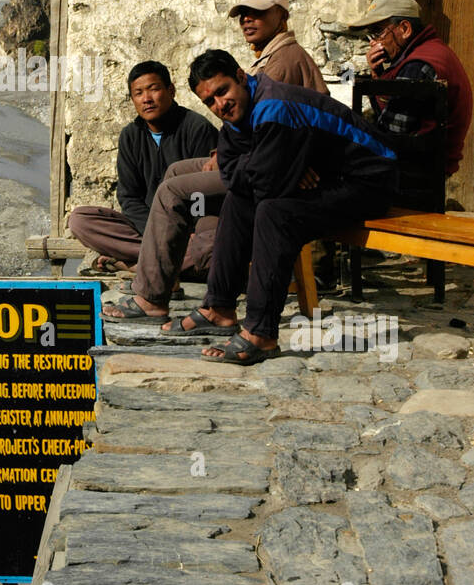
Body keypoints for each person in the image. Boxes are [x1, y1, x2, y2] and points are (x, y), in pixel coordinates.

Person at [148, 50, 396, 364]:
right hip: (331, 175)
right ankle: (219, 307)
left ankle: (261, 334)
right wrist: (282, 165)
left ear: (241, 76)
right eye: (210, 101)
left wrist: (281, 166)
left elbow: (265, 187)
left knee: (274, 214)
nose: (220, 105)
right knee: (239, 202)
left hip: (369, 179)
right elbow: (229, 169)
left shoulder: (274, 106)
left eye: (222, 91)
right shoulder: (240, 115)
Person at [104, 0, 327, 319]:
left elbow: (288, 129)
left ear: (281, 15)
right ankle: (165, 266)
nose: (248, 21)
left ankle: (152, 293)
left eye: (258, 13)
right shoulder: (271, 57)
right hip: (264, 158)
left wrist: (300, 163)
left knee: (173, 189)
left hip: (271, 167)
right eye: (243, 16)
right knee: (177, 173)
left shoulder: (283, 60)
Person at [67, 60, 217, 274]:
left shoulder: (196, 129)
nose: (146, 99)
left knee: (209, 246)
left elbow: (203, 196)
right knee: (80, 220)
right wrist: (158, 231)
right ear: (133, 99)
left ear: (171, 90)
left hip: (188, 229)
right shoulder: (130, 136)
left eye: (154, 89)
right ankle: (162, 262)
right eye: (138, 93)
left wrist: (185, 230)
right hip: (148, 229)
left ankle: (135, 265)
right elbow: (129, 197)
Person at [344, 0, 473, 207]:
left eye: (378, 33)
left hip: (418, 173)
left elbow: (390, 131)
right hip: (424, 166)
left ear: (404, 29)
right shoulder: (430, 52)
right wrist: (378, 76)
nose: (374, 44)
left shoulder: (419, 65)